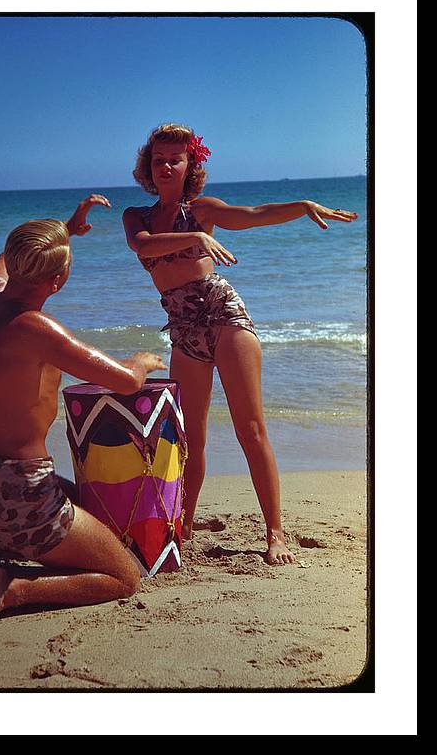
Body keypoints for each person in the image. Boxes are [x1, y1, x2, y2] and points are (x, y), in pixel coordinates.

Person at [122, 124, 358, 565]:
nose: (167, 166)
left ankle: (275, 533)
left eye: (176, 159)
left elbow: (254, 213)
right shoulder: (136, 216)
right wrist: (196, 238)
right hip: (183, 327)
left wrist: (301, 205)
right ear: (148, 168)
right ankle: (185, 521)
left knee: (250, 428)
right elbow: (144, 246)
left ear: (190, 166)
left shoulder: (203, 209)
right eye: (159, 160)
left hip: (224, 316)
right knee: (188, 437)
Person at [0, 194, 165, 626]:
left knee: (81, 499)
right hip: (22, 495)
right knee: (124, 576)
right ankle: (15, 590)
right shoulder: (39, 330)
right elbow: (125, 382)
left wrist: (66, 228)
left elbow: (4, 261)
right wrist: (142, 362)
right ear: (58, 279)